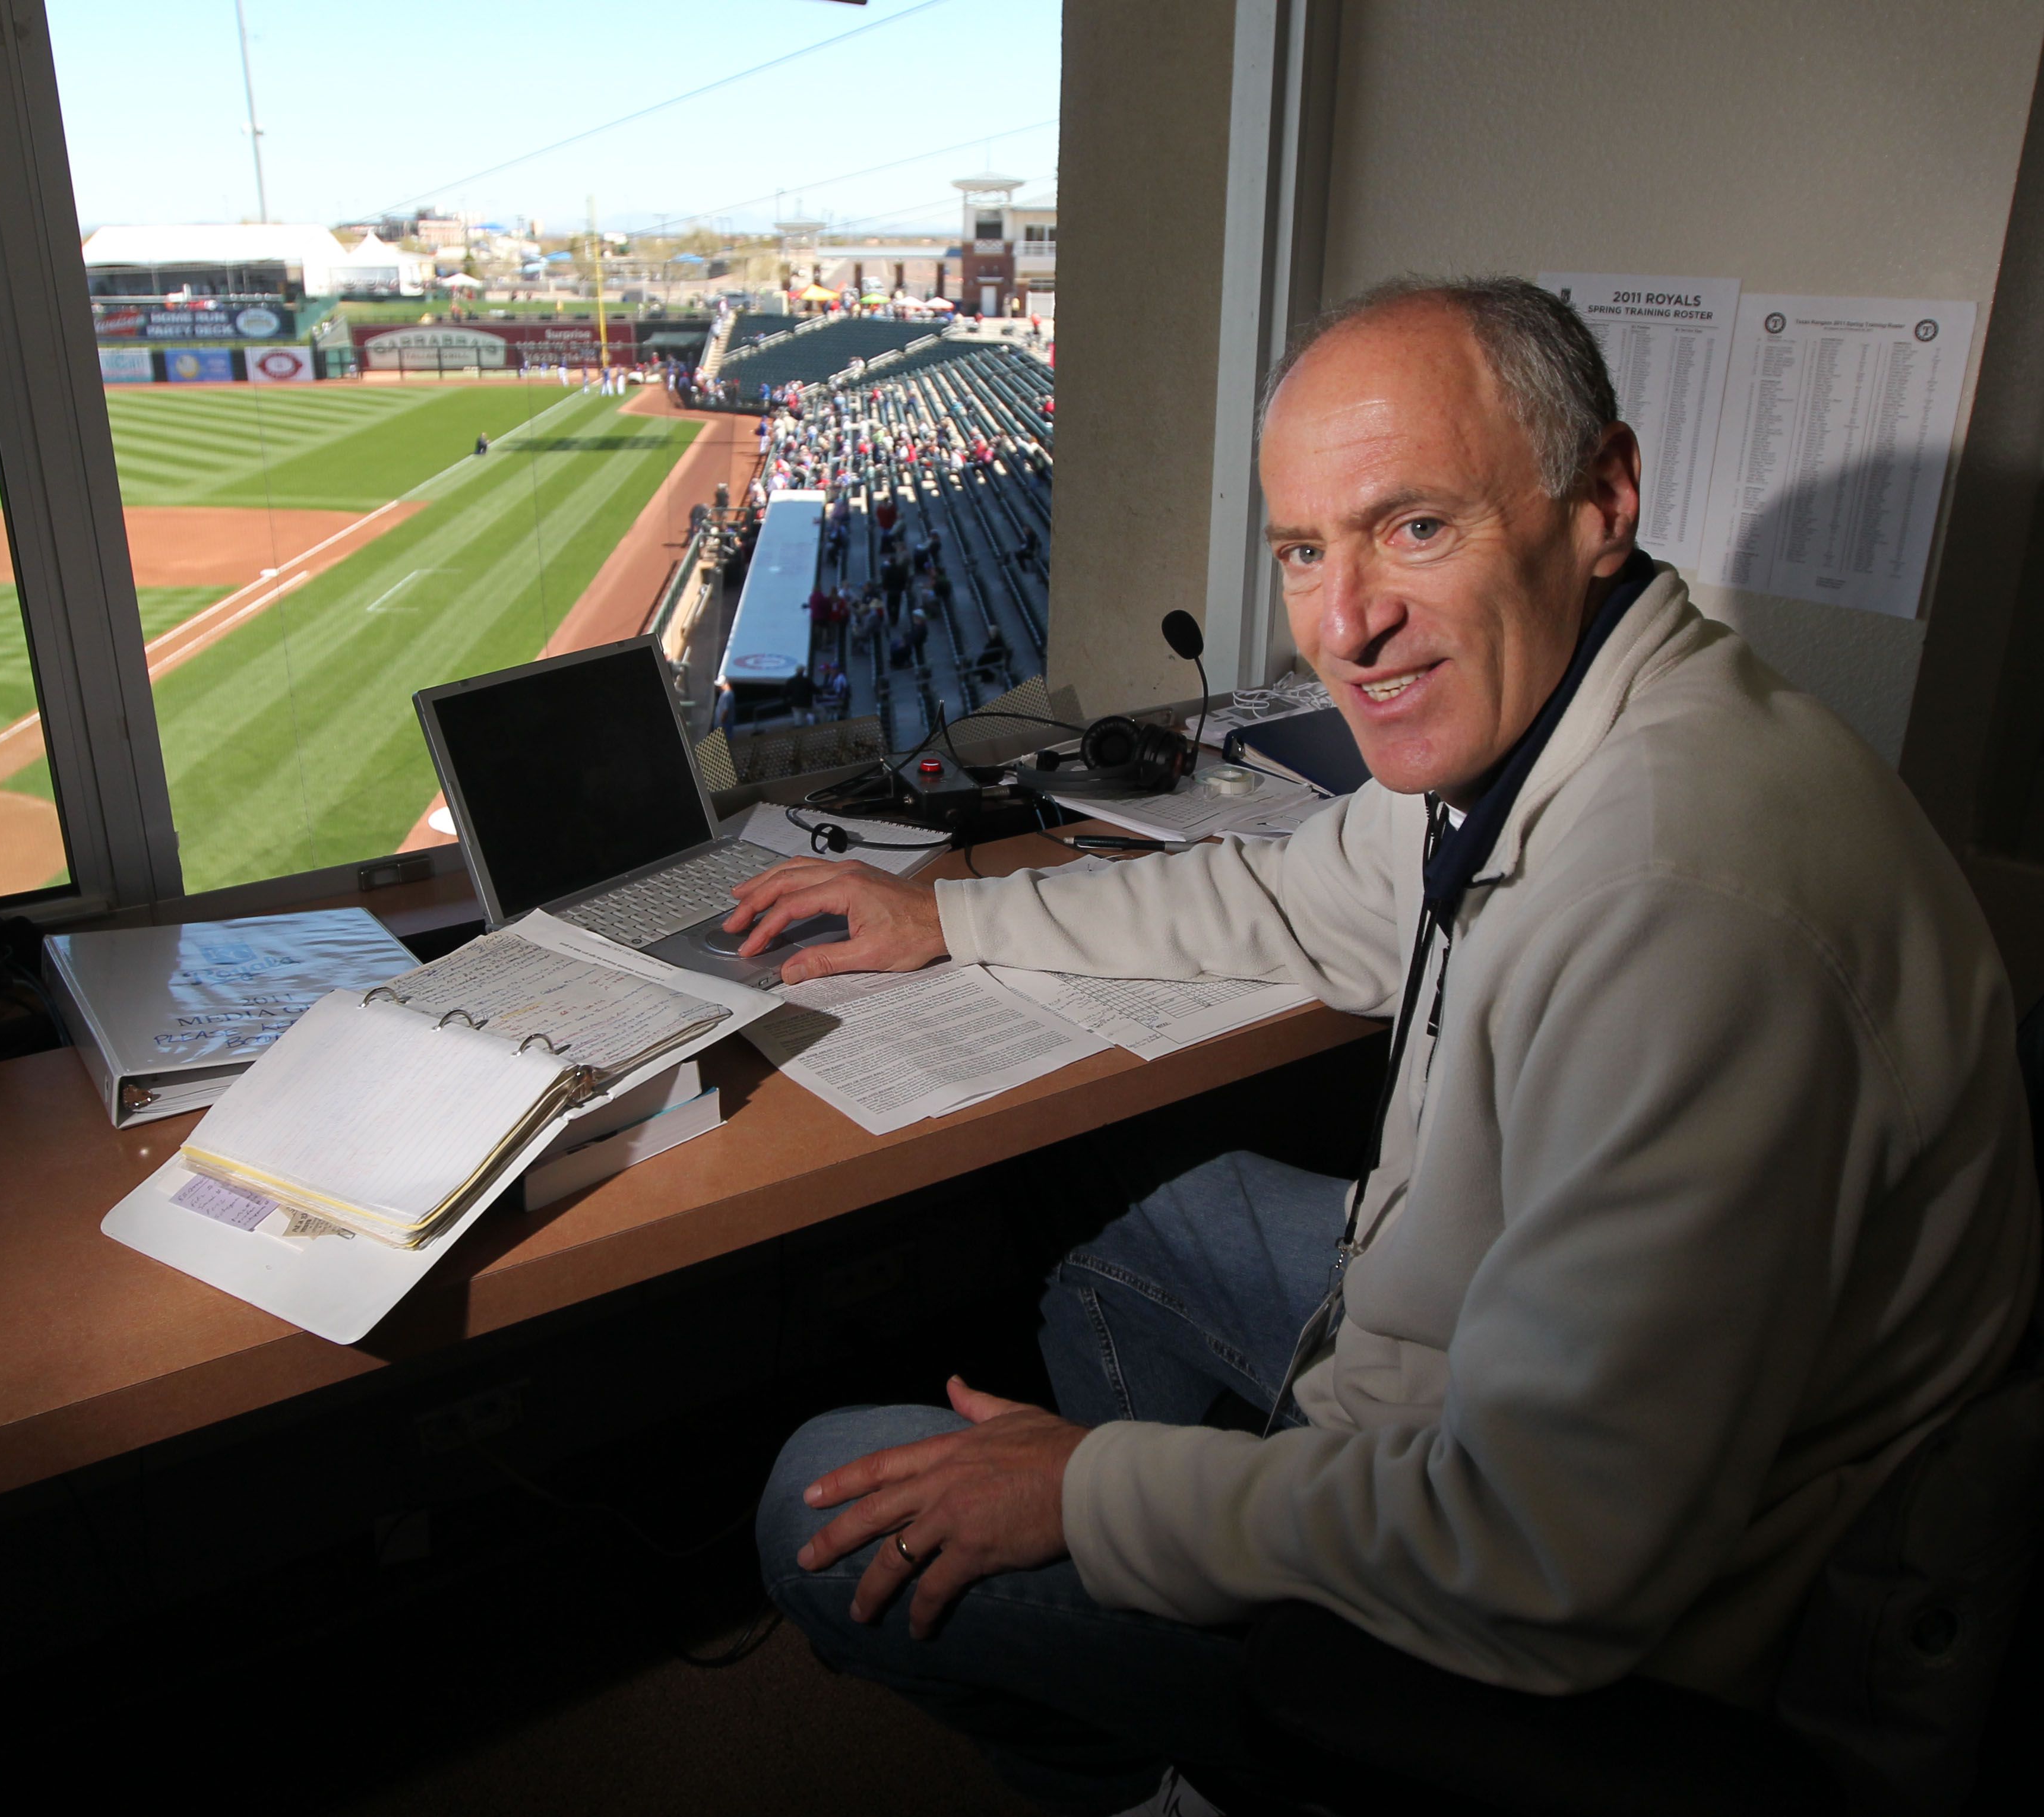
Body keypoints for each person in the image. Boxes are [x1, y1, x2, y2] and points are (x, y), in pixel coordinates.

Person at [729, 277, 2037, 1814]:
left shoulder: (1688, 906)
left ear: (1600, 498)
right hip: (1478, 1351)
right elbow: (1290, 892)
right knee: (1121, 1202)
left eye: (1417, 527)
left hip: (1621, 1640)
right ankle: (1218, 1682)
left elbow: (1547, 1556)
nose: (1347, 625)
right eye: (1306, 550)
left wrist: (1094, 1492)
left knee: (818, 1492)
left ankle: (1264, 1724)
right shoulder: (1559, 711)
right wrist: (946, 915)